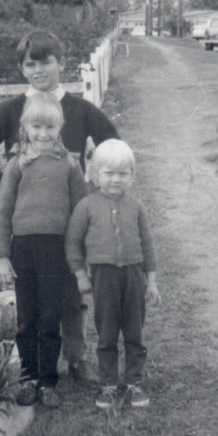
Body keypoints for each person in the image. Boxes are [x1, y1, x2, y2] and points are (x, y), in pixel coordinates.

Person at [0, 29, 119, 383]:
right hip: (28, 228)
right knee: (35, 296)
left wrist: (96, 189)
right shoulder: (11, 111)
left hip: (70, 219)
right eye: (30, 64)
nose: (39, 70)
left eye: (46, 62)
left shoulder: (80, 109)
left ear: (61, 63)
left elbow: (113, 147)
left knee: (71, 290)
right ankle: (33, 367)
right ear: (22, 69)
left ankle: (77, 356)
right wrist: (5, 185)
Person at [0, 92, 88, 408]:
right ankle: (27, 378)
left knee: (50, 315)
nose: (43, 134)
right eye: (37, 127)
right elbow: (3, 211)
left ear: (60, 126)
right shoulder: (17, 166)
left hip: (55, 250)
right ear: (25, 127)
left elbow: (80, 211)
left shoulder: (69, 166)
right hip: (23, 250)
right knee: (27, 318)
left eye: (50, 127)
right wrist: (3, 256)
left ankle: (48, 381)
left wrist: (78, 253)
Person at [65, 139, 162, 409]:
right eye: (109, 173)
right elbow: (73, 243)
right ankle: (107, 384)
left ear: (132, 175)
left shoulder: (136, 207)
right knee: (106, 332)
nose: (116, 180)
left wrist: (151, 282)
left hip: (134, 277)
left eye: (123, 173)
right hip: (103, 277)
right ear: (95, 174)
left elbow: (148, 245)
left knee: (134, 332)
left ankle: (134, 382)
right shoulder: (86, 206)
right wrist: (81, 275)